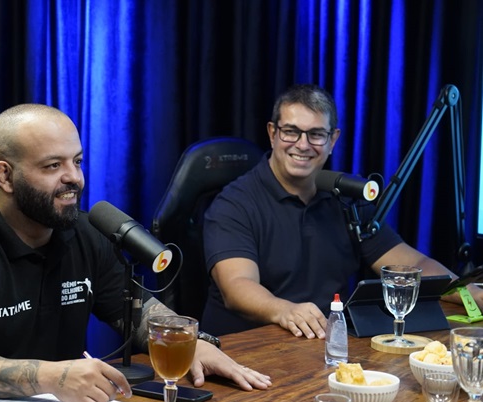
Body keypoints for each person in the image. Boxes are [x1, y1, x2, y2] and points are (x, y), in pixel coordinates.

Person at [0, 103, 271, 402]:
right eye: (53, 166)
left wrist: (192, 342)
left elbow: (138, 313)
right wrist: (52, 377)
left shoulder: (84, 234)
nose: (76, 178)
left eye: (78, 161)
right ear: (5, 176)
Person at [202, 84, 483, 339]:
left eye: (316, 135)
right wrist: (285, 310)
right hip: (249, 350)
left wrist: (469, 293)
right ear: (273, 133)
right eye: (291, 131)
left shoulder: (347, 197)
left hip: (324, 344)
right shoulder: (234, 204)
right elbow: (237, 286)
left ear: (333, 140)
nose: (302, 144)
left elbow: (410, 264)